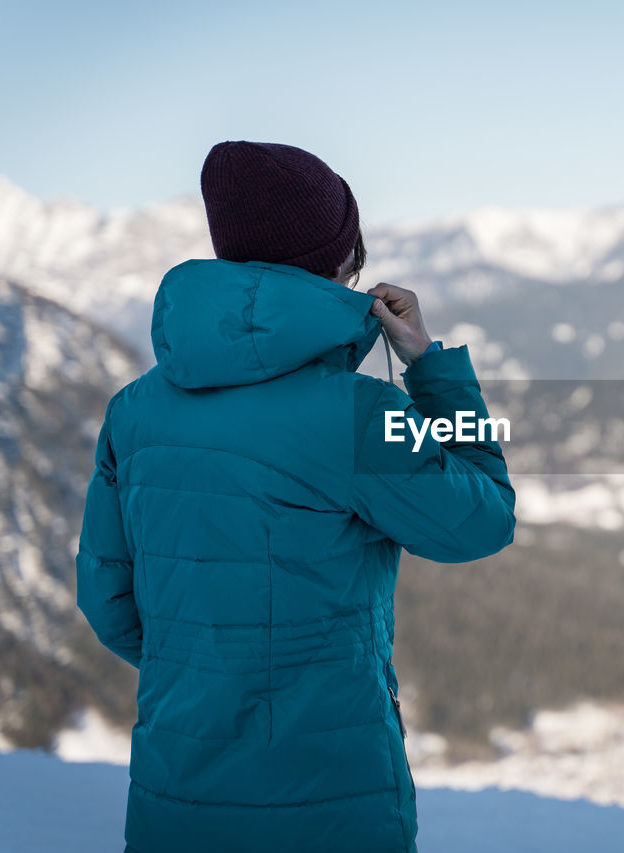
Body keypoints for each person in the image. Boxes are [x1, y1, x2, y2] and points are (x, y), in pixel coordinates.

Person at [75, 140, 516, 852]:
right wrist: (433, 369)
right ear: (338, 264)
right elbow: (485, 517)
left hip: (175, 802)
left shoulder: (134, 411)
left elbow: (108, 603)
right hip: (331, 804)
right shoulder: (357, 414)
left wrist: (211, 673)